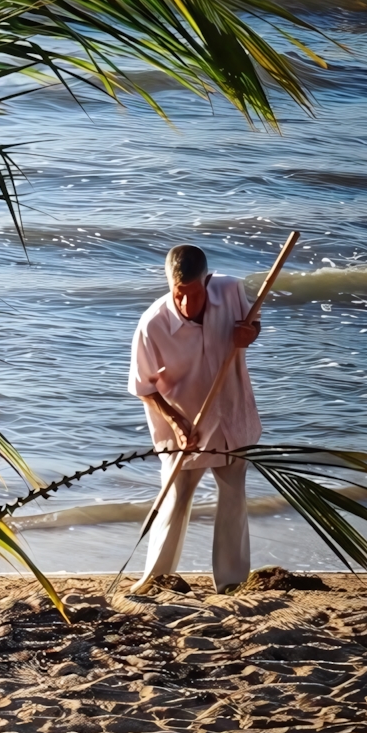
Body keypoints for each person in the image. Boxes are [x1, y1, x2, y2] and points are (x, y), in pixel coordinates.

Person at [129, 245, 261, 593]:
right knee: (175, 497)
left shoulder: (231, 290)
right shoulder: (152, 324)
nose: (185, 302)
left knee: (233, 493)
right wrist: (175, 421)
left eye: (193, 292)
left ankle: (231, 583)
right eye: (178, 292)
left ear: (208, 279)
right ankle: (155, 580)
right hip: (183, 424)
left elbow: (253, 324)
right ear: (170, 283)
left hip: (231, 413)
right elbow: (143, 386)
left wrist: (249, 334)